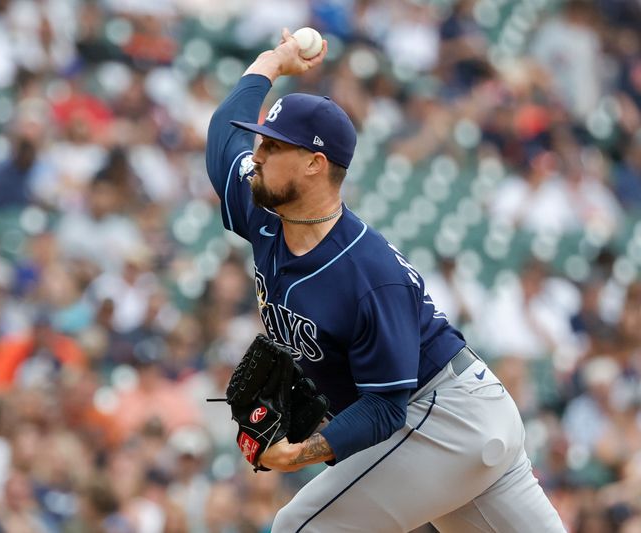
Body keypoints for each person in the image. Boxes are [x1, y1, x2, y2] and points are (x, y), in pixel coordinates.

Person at [205, 28, 566, 532]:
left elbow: (384, 409)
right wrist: (273, 60)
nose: (257, 155)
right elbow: (224, 132)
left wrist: (300, 455)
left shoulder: (370, 273)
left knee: (298, 527)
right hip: (460, 425)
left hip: (444, 416)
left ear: (314, 165)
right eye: (261, 142)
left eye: (272, 146)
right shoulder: (263, 211)